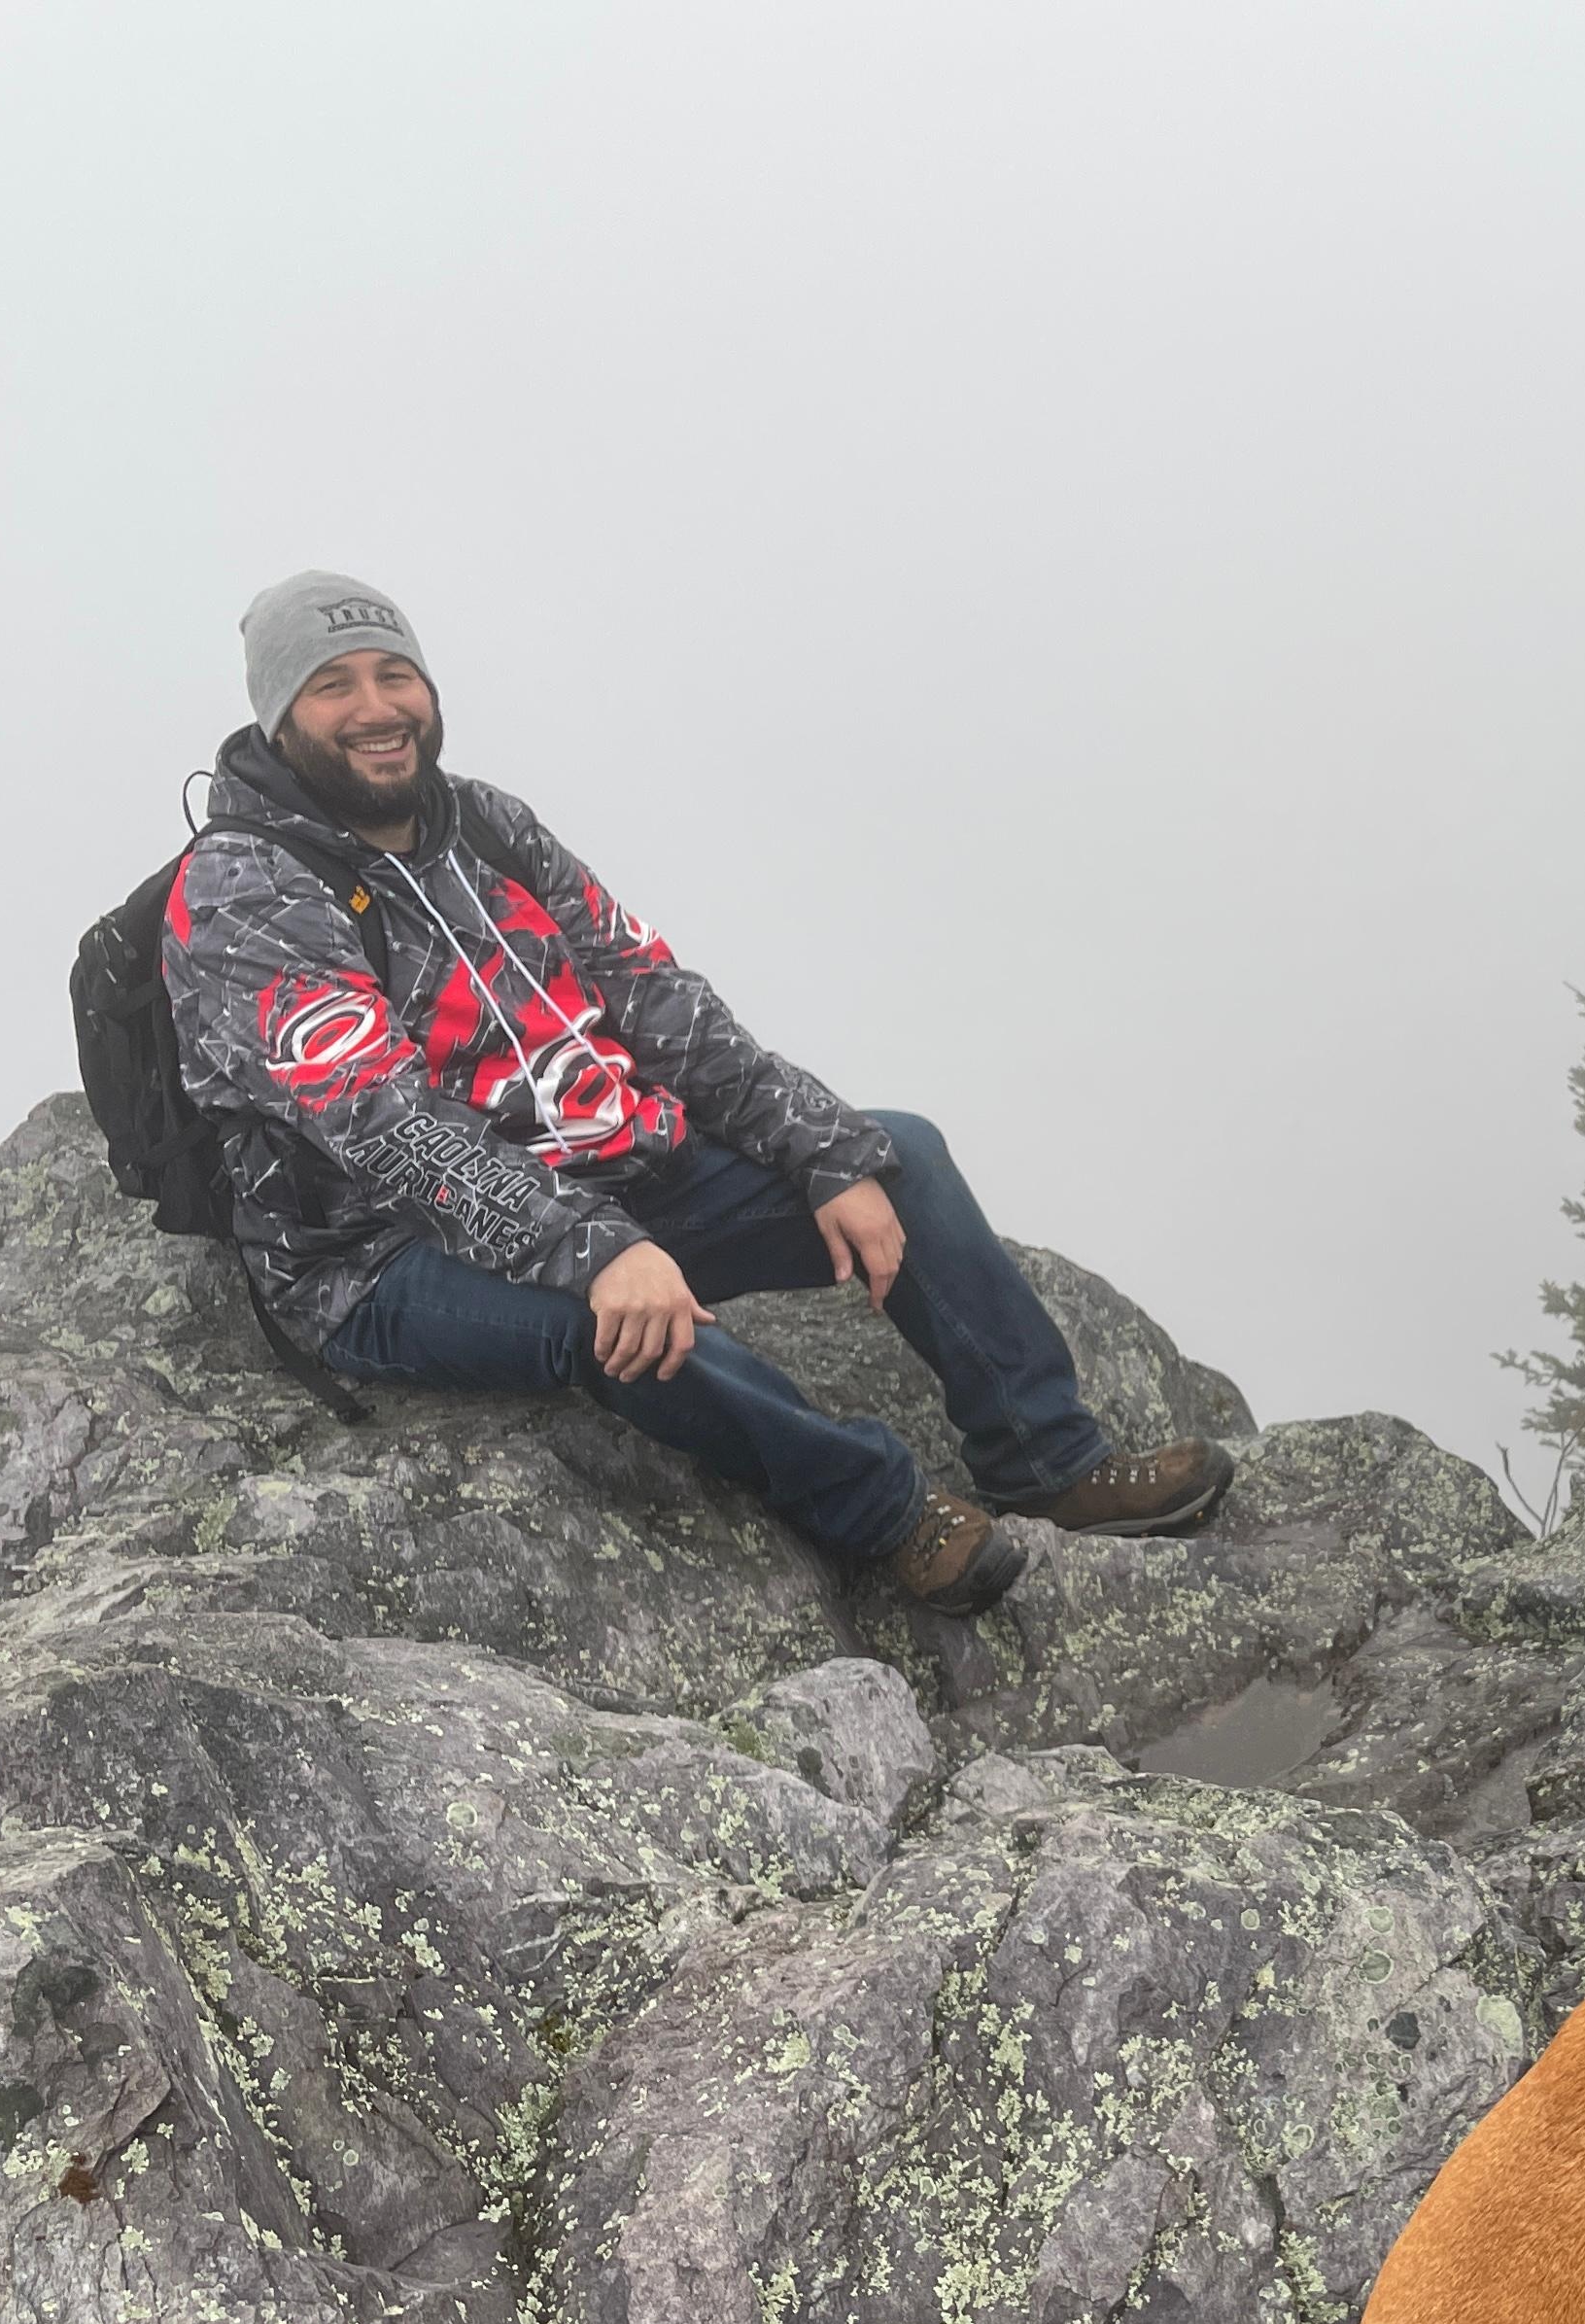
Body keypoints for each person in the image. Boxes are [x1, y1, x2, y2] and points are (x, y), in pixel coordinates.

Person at [161, 571, 1232, 1617]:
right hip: (383, 1259)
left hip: (599, 1172)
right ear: (280, 717)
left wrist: (824, 1153)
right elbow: (382, 1125)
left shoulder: (481, 825)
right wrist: (596, 1251)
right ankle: (883, 1512)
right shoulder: (242, 887)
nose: (377, 708)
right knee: (614, 1325)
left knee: (898, 1152)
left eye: (395, 674)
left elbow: (655, 998)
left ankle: (1045, 1457)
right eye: (332, 685)